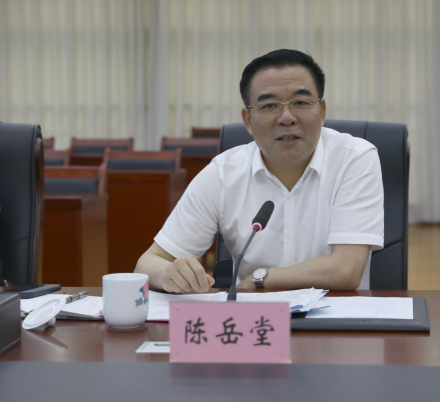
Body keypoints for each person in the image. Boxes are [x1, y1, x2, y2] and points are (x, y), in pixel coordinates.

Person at [135, 49, 384, 293]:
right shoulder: (223, 174)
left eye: (300, 102)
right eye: (269, 105)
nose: (287, 117)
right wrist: (169, 274)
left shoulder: (354, 159)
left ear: (322, 112)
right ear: (248, 121)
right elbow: (147, 264)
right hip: (253, 317)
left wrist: (260, 279)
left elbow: (346, 269)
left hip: (338, 315)